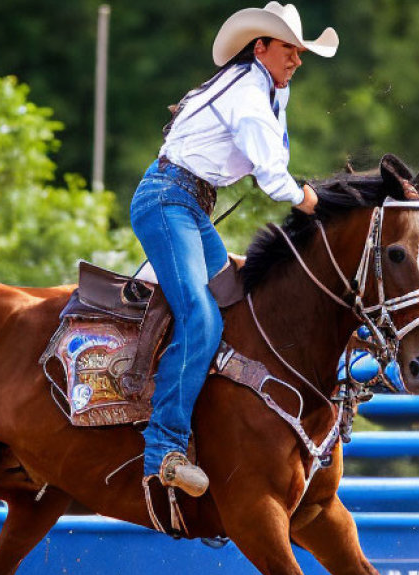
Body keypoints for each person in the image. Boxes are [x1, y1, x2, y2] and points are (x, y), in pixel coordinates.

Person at [130, 2, 338, 498]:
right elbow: (272, 175)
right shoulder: (248, 92)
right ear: (260, 47)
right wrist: (317, 203)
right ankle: (163, 448)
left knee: (232, 302)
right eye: (290, 49)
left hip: (184, 204)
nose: (298, 60)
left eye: (300, 51)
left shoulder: (262, 90)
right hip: (170, 201)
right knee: (202, 317)